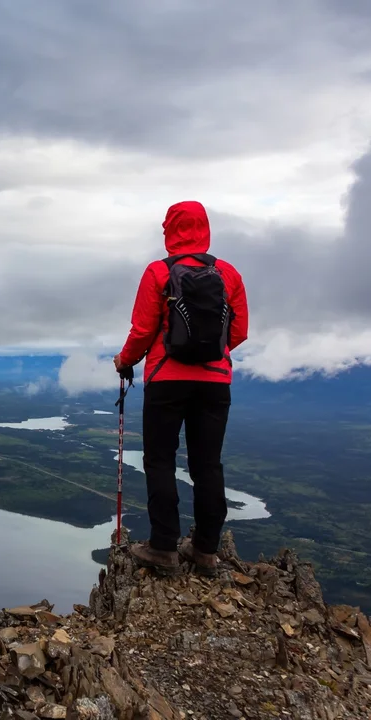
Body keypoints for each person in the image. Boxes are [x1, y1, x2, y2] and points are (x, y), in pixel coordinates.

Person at [112, 200, 249, 576]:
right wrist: (209, 358)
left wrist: (125, 361)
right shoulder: (229, 274)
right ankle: (205, 550)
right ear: (205, 228)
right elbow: (237, 333)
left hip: (166, 381)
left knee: (160, 459)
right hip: (214, 383)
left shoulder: (159, 272)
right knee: (207, 464)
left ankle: (163, 547)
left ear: (170, 230)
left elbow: (142, 330)